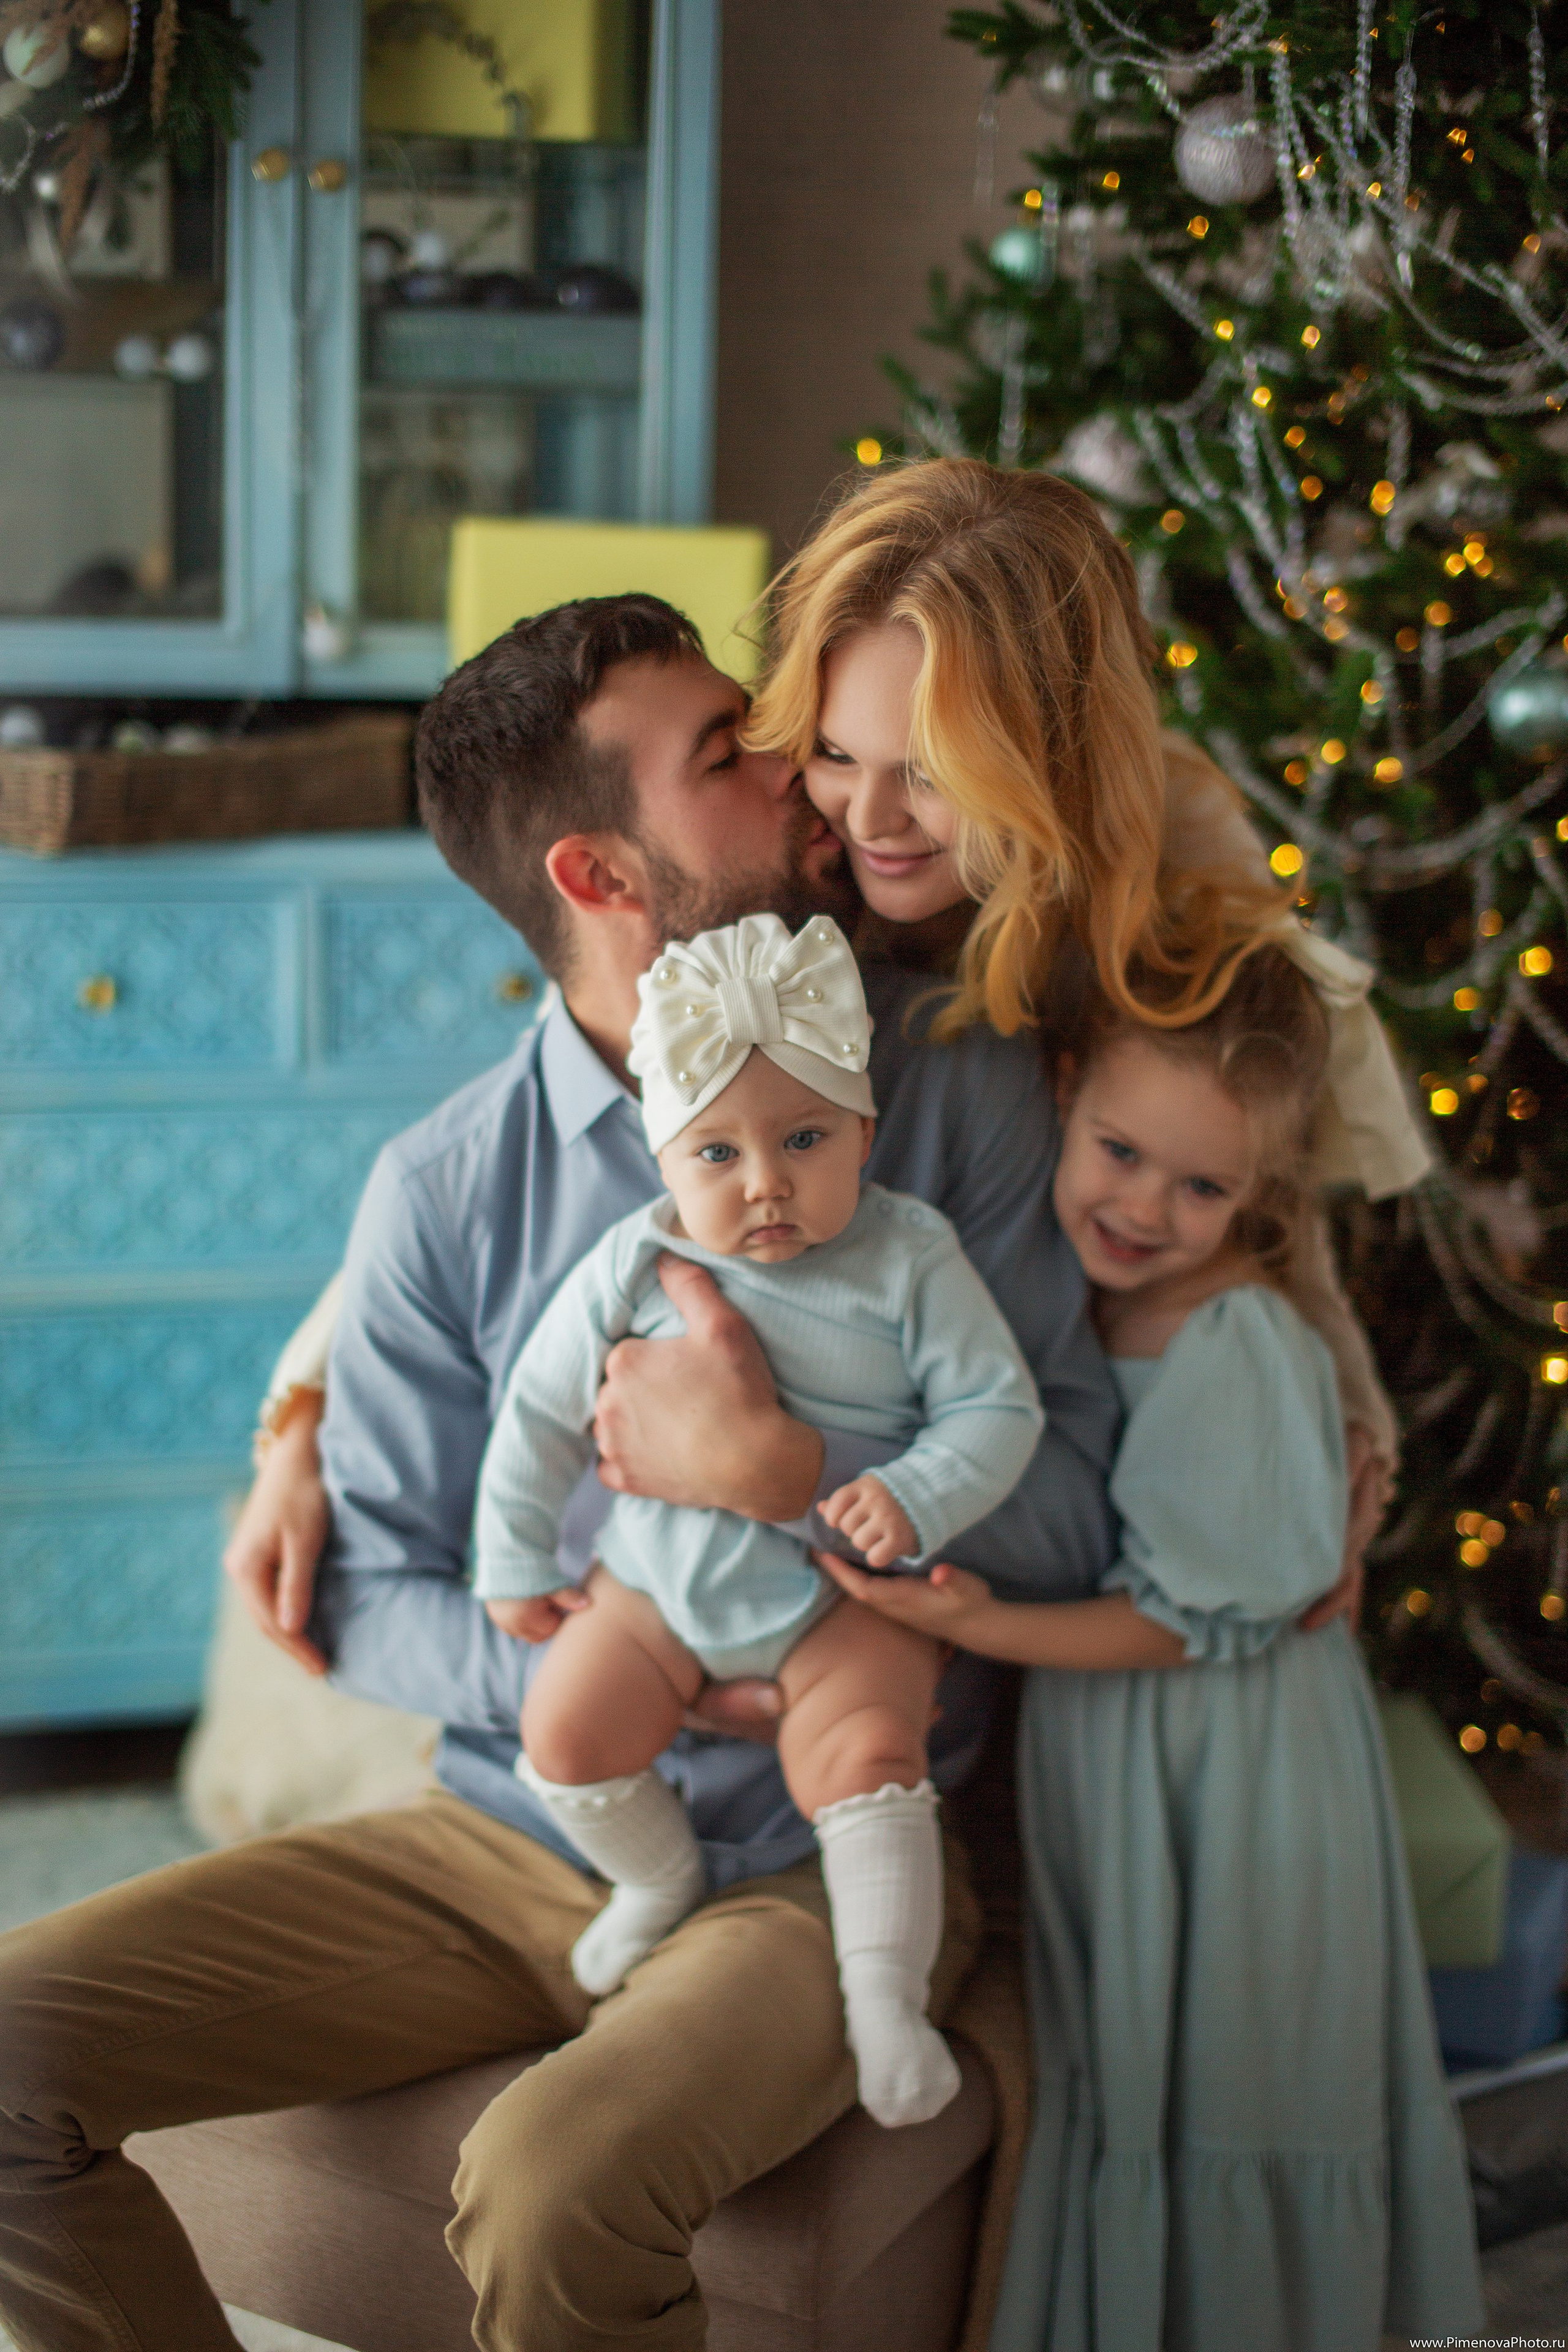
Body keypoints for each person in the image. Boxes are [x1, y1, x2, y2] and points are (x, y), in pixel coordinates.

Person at [0, 591, 1120, 2352]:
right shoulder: (445, 1188)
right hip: (508, 1830)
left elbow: (1075, 1518)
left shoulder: (945, 1092)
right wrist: (617, 1669)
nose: (793, 777)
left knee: (548, 2187)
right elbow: (361, 1593)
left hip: (814, 1854)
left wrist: (787, 1474)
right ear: (601, 876)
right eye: (723, 757)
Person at [824, 946, 1485, 2349]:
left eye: (1201, 1188)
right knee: (1142, 2076)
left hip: (1230, 1772)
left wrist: (977, 1620)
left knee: (1236, 2086)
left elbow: (1190, 1622)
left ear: (1260, 1197)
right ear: (1061, 1094)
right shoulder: (1079, 1298)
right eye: (1119, 1152)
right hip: (1132, 1746)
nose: (1143, 1209)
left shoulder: (1231, 1330)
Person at [477, 911, 1043, 2124]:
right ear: (661, 1156)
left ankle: (881, 2000)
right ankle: (656, 1875)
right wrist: (515, 1555)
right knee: (565, 1736)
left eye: (802, 1139)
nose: (767, 1182)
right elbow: (536, 1410)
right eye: (717, 1155)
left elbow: (998, 1409)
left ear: (863, 1133)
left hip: (840, 1596)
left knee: (870, 1762)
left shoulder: (909, 1256)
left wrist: (911, 1493)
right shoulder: (632, 1261)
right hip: (654, 1585)